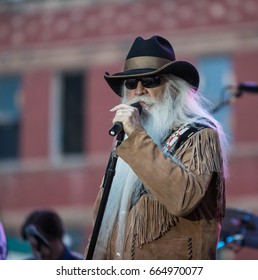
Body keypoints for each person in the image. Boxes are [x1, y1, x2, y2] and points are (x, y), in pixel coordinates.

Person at [85, 35, 228, 260]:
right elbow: (101, 225)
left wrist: (136, 137)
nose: (139, 90)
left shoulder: (200, 134)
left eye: (151, 81)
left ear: (173, 88)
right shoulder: (127, 141)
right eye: (131, 83)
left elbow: (183, 198)